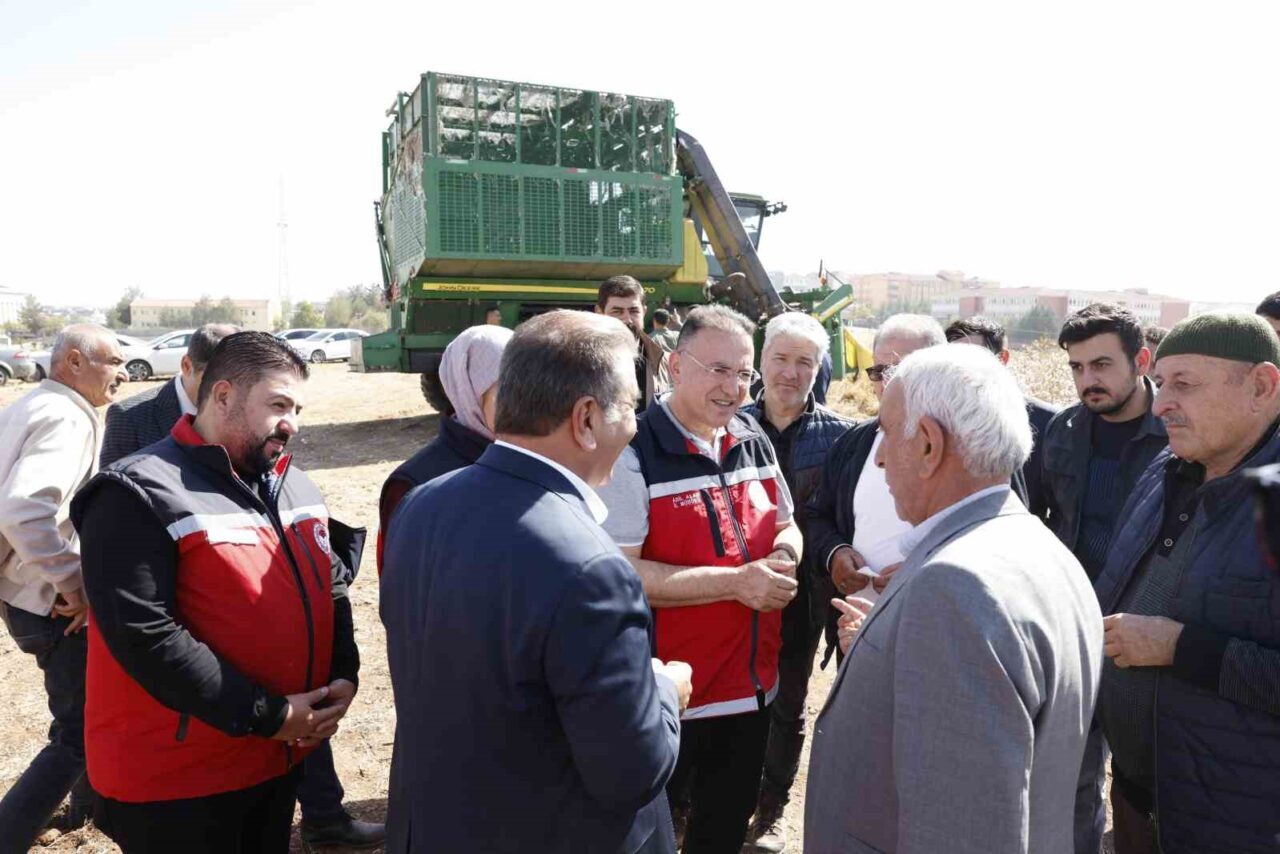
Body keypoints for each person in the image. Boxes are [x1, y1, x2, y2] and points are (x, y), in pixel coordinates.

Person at [381, 310, 690, 854]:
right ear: (586, 419)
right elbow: (632, 771)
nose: (637, 425)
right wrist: (664, 691)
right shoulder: (591, 569)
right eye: (630, 407)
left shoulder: (422, 502)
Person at [805, 344, 1104, 854]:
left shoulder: (954, 589)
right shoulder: (1043, 549)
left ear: (927, 445)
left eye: (884, 432)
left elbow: (960, 830)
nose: (876, 456)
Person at [70, 332, 361, 854]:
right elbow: (145, 635)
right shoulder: (135, 492)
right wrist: (267, 715)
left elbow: (331, 584)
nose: (291, 422)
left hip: (273, 764)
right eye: (278, 404)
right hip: (179, 783)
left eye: (297, 407)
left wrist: (343, 673)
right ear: (222, 395)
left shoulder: (292, 484)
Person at [598, 304, 804, 854]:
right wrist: (737, 583)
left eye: (743, 373)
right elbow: (623, 575)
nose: (733, 387)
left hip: (751, 686)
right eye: (718, 370)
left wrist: (785, 552)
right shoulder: (634, 451)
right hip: (672, 690)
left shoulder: (752, 436)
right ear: (673, 365)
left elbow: (787, 522)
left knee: (724, 826)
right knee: (653, 833)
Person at [1091, 313, 1280, 854]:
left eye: (1185, 385)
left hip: (1236, 825)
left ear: (1261, 387)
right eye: (1162, 381)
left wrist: (1180, 647)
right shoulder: (1164, 468)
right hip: (1135, 803)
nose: (1160, 403)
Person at [0, 325, 126, 852]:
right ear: (74, 362)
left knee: (80, 716)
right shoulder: (67, 417)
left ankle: (86, 811)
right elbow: (23, 508)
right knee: (77, 733)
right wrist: (75, 584)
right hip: (46, 600)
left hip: (20, 590)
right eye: (113, 360)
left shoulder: (35, 404)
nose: (122, 371)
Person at [739, 313, 853, 854]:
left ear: (818, 368)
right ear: (761, 361)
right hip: (732, 592)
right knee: (731, 698)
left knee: (787, 701)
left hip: (803, 600)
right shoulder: (729, 426)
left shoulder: (842, 439)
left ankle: (772, 810)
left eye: (803, 361)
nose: (789, 372)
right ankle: (713, 796)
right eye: (779, 358)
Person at [803, 314, 945, 664]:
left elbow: (992, 533)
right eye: (879, 371)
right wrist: (834, 552)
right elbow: (816, 516)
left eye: (901, 370)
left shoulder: (972, 453)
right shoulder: (855, 443)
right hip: (856, 637)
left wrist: (923, 571)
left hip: (936, 637)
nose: (887, 382)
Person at [377, 324, 513, 573]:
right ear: (468, 389)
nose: (522, 403)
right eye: (507, 389)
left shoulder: (534, 459)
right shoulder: (413, 483)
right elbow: (401, 587)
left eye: (528, 387)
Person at [945, 316, 1059, 520]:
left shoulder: (1049, 423)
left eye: (971, 359)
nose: (960, 370)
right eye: (952, 361)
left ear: (1003, 358)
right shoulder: (939, 423)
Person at [100, 324, 238, 467]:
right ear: (187, 366)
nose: (226, 394)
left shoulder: (252, 413)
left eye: (242, 384)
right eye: (217, 383)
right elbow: (112, 486)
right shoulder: (128, 418)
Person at [596, 275, 670, 410]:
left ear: (644, 312)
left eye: (634, 311)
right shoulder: (581, 363)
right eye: (617, 311)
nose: (627, 319)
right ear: (599, 312)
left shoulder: (664, 363)